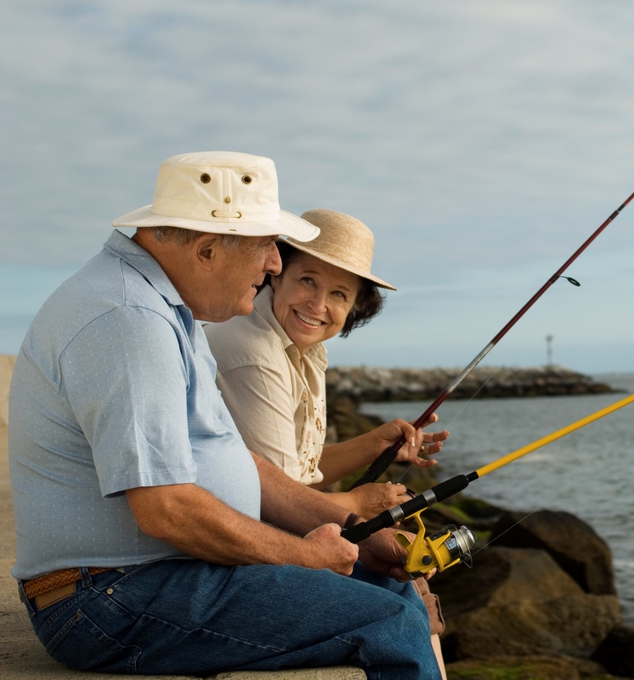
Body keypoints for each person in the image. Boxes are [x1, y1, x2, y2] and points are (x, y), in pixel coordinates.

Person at [8, 152, 443, 679]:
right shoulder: (129, 319)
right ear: (209, 248)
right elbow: (166, 509)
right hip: (108, 597)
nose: (275, 265)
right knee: (391, 620)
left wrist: (352, 527)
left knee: (392, 586)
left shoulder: (170, 311)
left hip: (149, 576)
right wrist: (302, 557)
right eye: (266, 246)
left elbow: (244, 465)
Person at [204, 208, 449, 643]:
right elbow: (276, 502)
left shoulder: (301, 343)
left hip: (262, 529)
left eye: (339, 293)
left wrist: (374, 444)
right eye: (308, 280)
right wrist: (360, 503)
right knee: (406, 601)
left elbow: (299, 470)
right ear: (277, 271)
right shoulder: (254, 350)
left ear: (356, 306)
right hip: (235, 547)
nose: (319, 305)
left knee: (409, 585)